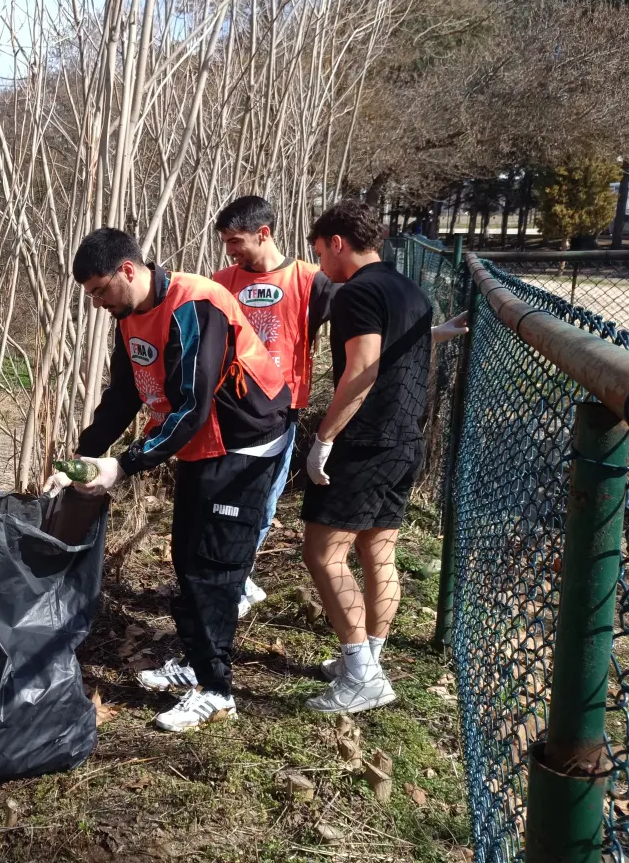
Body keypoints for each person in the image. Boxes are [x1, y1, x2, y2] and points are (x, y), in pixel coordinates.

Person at [42, 228, 292, 732]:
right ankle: (199, 663)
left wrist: (123, 465)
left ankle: (217, 690)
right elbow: (124, 396)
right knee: (187, 555)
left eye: (100, 290)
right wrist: (82, 457)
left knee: (214, 566)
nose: (97, 303)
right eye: (90, 295)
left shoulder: (194, 306)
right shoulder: (130, 315)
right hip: (201, 442)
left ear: (127, 270)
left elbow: (192, 407)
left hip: (244, 440)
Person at [300, 201, 465, 714]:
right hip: (405, 440)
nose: (320, 263)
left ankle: (361, 676)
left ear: (337, 243)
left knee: (323, 554)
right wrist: (438, 333)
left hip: (366, 441)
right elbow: (399, 346)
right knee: (378, 553)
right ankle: (368, 659)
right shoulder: (407, 288)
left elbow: (363, 368)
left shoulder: (356, 293)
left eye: (319, 252)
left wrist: (324, 438)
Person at [212, 196, 334, 617]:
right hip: (227, 410)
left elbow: (364, 325)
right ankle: (227, 576)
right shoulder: (221, 282)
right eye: (226, 242)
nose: (230, 250)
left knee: (262, 501)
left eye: (236, 241)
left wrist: (428, 332)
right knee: (220, 500)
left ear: (264, 233)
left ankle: (237, 578)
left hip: (279, 412)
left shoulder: (310, 280)